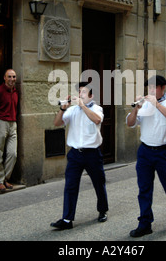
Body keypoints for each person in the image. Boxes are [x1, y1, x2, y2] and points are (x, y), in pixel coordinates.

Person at [126, 75, 166, 238]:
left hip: (164, 152)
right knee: (144, 188)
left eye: (154, 88)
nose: (150, 91)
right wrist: (136, 108)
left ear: (162, 88)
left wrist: (156, 104)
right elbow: (130, 123)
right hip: (145, 151)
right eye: (149, 88)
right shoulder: (143, 105)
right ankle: (145, 223)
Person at [50, 82, 108, 230]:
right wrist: (62, 109)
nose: (80, 94)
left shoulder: (97, 109)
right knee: (70, 185)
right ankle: (67, 219)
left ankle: (102, 210)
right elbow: (57, 123)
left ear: (91, 96)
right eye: (80, 91)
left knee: (98, 182)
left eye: (84, 92)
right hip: (75, 153)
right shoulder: (73, 110)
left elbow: (97, 120)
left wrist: (82, 106)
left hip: (92, 153)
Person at [0, 69, 19, 192]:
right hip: (0, 123)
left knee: (13, 153)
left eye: (14, 77)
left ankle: (6, 178)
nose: (12, 79)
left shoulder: (16, 92)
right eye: (9, 77)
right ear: (4, 78)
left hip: (13, 123)